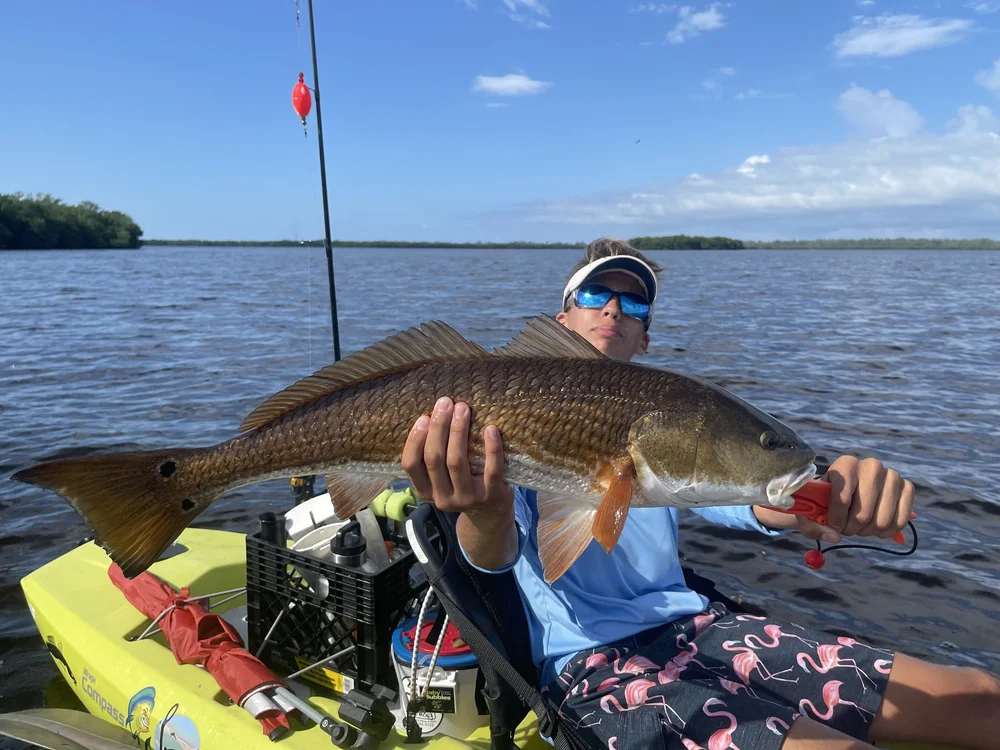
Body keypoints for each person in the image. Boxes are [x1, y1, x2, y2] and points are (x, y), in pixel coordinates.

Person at [400, 238, 999, 750]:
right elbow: (491, 560)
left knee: (982, 699)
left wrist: (820, 503)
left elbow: (738, 497)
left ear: (645, 338)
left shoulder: (668, 417)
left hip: (699, 628)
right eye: (593, 295)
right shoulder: (509, 412)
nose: (612, 308)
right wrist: (483, 508)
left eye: (633, 302)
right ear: (561, 322)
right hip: (594, 669)